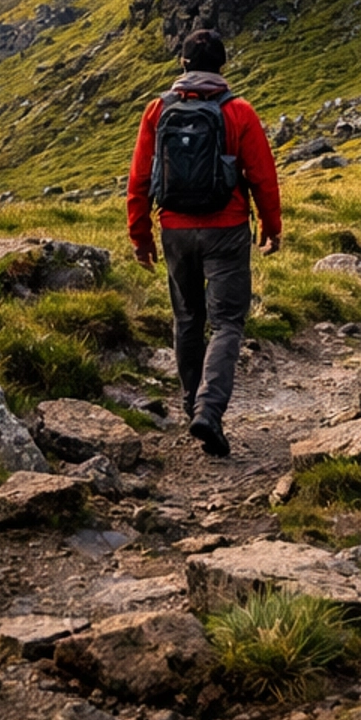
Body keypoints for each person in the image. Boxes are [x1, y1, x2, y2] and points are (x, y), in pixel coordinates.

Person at [127, 27, 282, 458]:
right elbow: (262, 177)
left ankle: (189, 403)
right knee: (228, 322)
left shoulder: (157, 109)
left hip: (174, 230)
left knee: (187, 319)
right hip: (227, 229)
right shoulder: (239, 112)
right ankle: (209, 412)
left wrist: (140, 235)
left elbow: (139, 179)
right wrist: (272, 227)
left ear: (183, 65)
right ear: (223, 67)